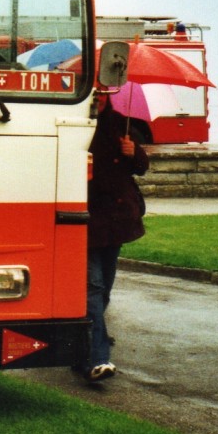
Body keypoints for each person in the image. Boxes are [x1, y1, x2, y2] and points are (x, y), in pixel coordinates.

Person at [77, 89, 148, 383]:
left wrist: (134, 152)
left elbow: (141, 167)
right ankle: (97, 356)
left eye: (104, 93)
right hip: (87, 216)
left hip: (117, 219)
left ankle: (88, 341)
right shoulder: (75, 123)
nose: (100, 98)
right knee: (92, 285)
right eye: (95, 93)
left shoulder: (121, 124)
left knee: (104, 285)